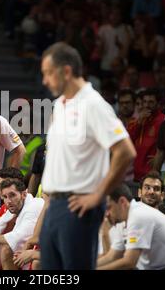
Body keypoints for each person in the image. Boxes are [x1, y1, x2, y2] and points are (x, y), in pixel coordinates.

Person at [39, 42, 136, 270]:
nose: (44, 81)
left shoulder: (93, 104)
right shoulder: (59, 105)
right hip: (53, 203)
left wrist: (98, 195)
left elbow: (125, 151)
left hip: (78, 204)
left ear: (66, 71)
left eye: (48, 73)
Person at [97, 184, 165, 270]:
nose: (106, 214)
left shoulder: (138, 215)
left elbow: (129, 262)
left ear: (122, 202)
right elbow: (112, 256)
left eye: (108, 207)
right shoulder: (125, 219)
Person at [0, 178, 44, 270]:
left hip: (48, 251)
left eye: (12, 195)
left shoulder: (34, 206)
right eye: (5, 197)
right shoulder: (11, 210)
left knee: (7, 250)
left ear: (24, 194)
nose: (9, 201)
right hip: (26, 252)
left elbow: (19, 237)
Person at [128, 88, 165, 183]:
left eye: (151, 102)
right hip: (135, 172)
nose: (147, 105)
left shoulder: (163, 121)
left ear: (158, 103)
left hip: (152, 173)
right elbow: (128, 140)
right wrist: (139, 122)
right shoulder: (137, 120)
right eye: (144, 102)